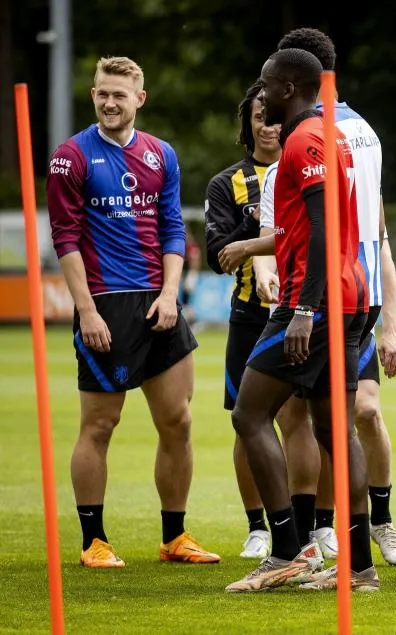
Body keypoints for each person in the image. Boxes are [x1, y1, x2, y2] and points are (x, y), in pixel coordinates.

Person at [46, 56, 218, 568]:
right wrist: (86, 310)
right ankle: (93, 541)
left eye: (119, 94)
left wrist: (171, 295)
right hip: (105, 303)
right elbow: (66, 238)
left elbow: (172, 230)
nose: (108, 102)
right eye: (101, 93)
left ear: (139, 99)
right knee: (100, 425)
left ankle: (174, 536)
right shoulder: (71, 156)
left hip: (158, 302)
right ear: (94, 95)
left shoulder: (161, 154)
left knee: (178, 422)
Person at [225, 48, 377, 593]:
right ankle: (359, 568)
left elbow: (321, 226)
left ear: (289, 87)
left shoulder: (305, 138)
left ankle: (286, 552)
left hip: (317, 300)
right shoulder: (328, 131)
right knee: (334, 429)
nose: (259, 93)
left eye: (266, 84)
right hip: (349, 293)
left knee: (248, 414)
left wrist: (305, 310)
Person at [205, 80, 322, 561]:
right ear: (248, 123)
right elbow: (218, 254)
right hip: (252, 316)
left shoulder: (306, 165)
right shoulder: (226, 182)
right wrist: (260, 229)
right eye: (259, 117)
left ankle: (306, 524)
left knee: (299, 420)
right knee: (247, 418)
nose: (269, 125)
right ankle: (258, 525)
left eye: (274, 116)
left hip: (298, 309)